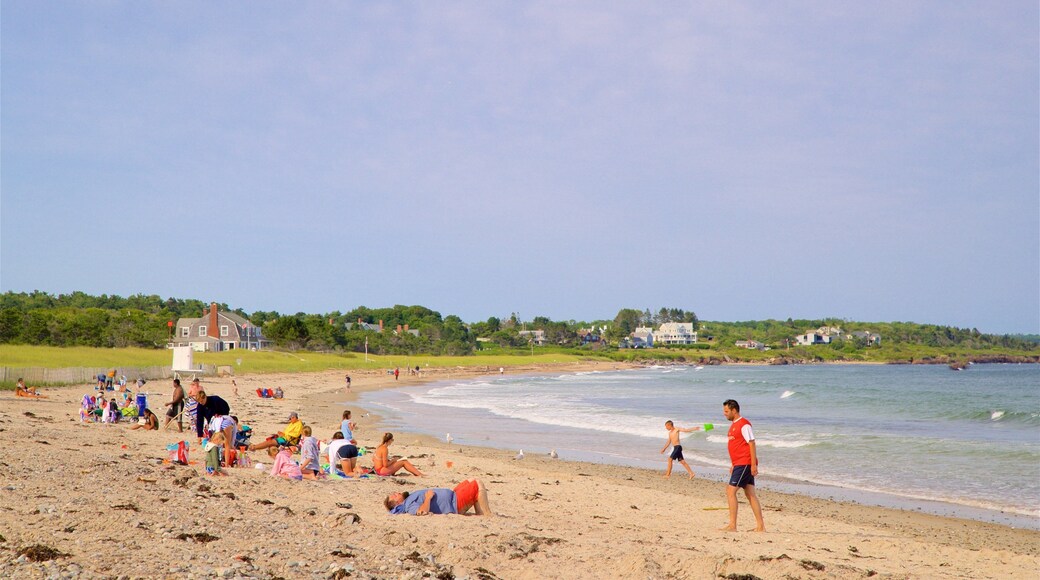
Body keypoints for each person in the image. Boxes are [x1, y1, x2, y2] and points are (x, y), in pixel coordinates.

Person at [721, 399, 765, 532]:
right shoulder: (733, 425)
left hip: (745, 462)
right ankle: (760, 526)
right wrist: (733, 464)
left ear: (734, 410)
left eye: (726, 411)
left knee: (730, 491)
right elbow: (736, 446)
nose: (724, 414)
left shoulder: (744, 424)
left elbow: (752, 443)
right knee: (750, 494)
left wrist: (753, 465)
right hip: (739, 463)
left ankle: (732, 525)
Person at [384, 479, 492, 516]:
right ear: (397, 504)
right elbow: (422, 511)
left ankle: (480, 512)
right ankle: (486, 514)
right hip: (455, 504)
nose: (397, 493)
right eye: (395, 496)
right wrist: (428, 498)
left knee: (470, 480)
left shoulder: (408, 499)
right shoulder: (408, 506)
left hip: (453, 496)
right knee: (478, 483)